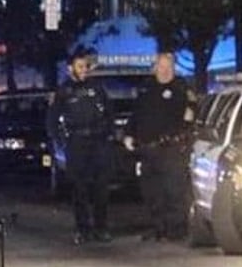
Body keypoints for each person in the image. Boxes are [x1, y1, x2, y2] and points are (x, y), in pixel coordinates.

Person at [124, 52, 197, 242]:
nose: (165, 71)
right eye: (161, 67)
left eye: (169, 67)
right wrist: (129, 134)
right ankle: (158, 228)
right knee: (151, 191)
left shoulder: (181, 88)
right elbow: (136, 114)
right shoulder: (146, 89)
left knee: (174, 191)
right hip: (148, 149)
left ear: (174, 69)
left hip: (171, 149)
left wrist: (183, 135)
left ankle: (176, 230)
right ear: (155, 68)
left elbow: (191, 114)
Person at [46, 48, 114, 244]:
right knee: (79, 188)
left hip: (98, 141)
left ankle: (101, 228)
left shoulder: (97, 88)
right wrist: (60, 141)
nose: (84, 70)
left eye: (86, 66)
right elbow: (52, 119)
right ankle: (83, 229)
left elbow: (110, 112)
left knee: (101, 187)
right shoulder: (64, 91)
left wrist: (108, 133)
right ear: (71, 69)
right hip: (76, 143)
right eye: (80, 66)